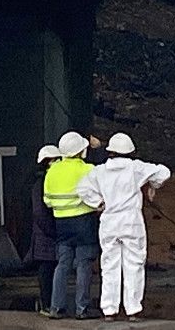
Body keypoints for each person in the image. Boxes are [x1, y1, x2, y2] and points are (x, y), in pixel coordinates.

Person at [76, 132, 171, 323]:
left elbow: (82, 188)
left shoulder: (99, 171)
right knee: (134, 264)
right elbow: (164, 172)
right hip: (131, 222)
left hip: (109, 222)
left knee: (109, 265)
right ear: (130, 152)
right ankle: (133, 309)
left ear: (110, 151)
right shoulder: (135, 168)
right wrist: (153, 184)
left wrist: (98, 203)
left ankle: (109, 310)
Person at [44, 130, 101, 320]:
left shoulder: (52, 171)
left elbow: (48, 201)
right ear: (80, 151)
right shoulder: (87, 169)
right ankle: (81, 309)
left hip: (61, 224)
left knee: (62, 265)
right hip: (84, 223)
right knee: (84, 265)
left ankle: (56, 308)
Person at [30, 144, 62, 316]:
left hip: (50, 233)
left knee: (54, 270)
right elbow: (39, 213)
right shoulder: (40, 184)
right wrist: (52, 230)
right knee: (46, 271)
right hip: (45, 235)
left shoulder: (50, 180)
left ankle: (52, 304)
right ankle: (47, 304)